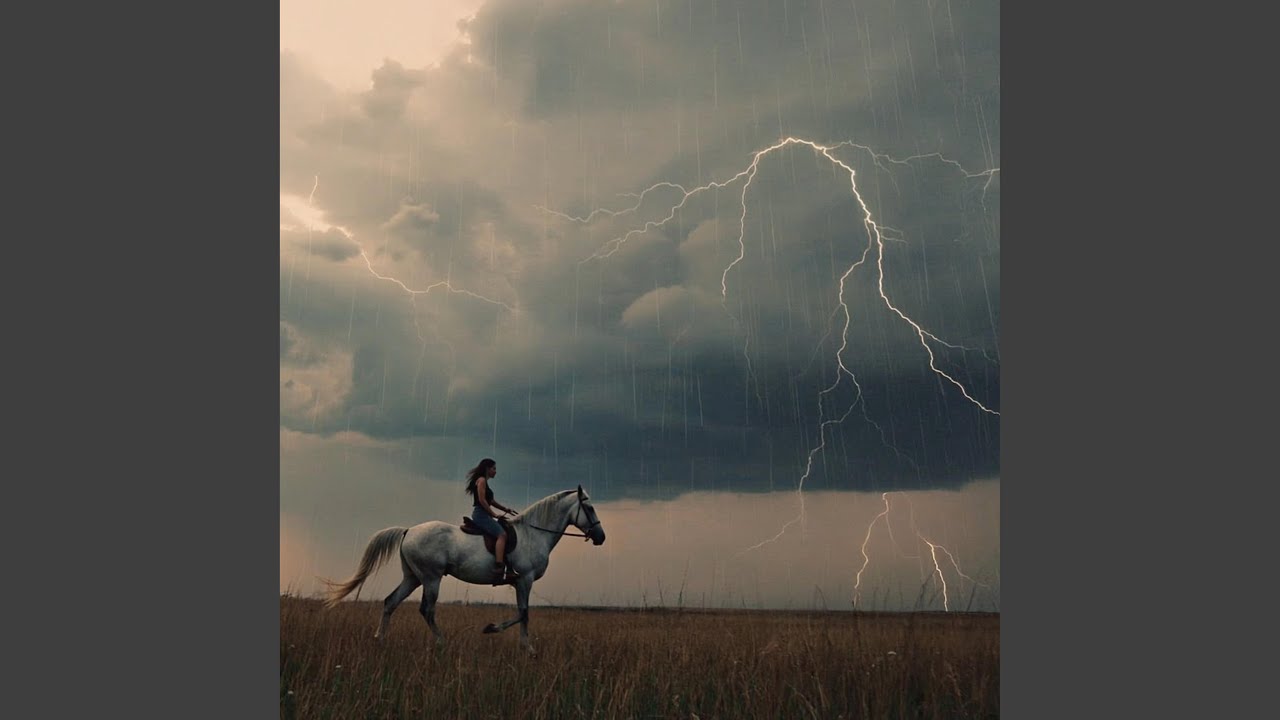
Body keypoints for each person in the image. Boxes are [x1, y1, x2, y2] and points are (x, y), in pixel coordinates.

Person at [465, 458, 521, 583]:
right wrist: (494, 514)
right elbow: (482, 500)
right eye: (494, 468)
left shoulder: (484, 481)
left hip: (484, 514)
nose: (495, 471)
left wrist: (505, 509)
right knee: (502, 535)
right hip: (481, 515)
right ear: (487, 469)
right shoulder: (481, 480)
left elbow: (490, 501)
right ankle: (499, 566)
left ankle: (507, 567)